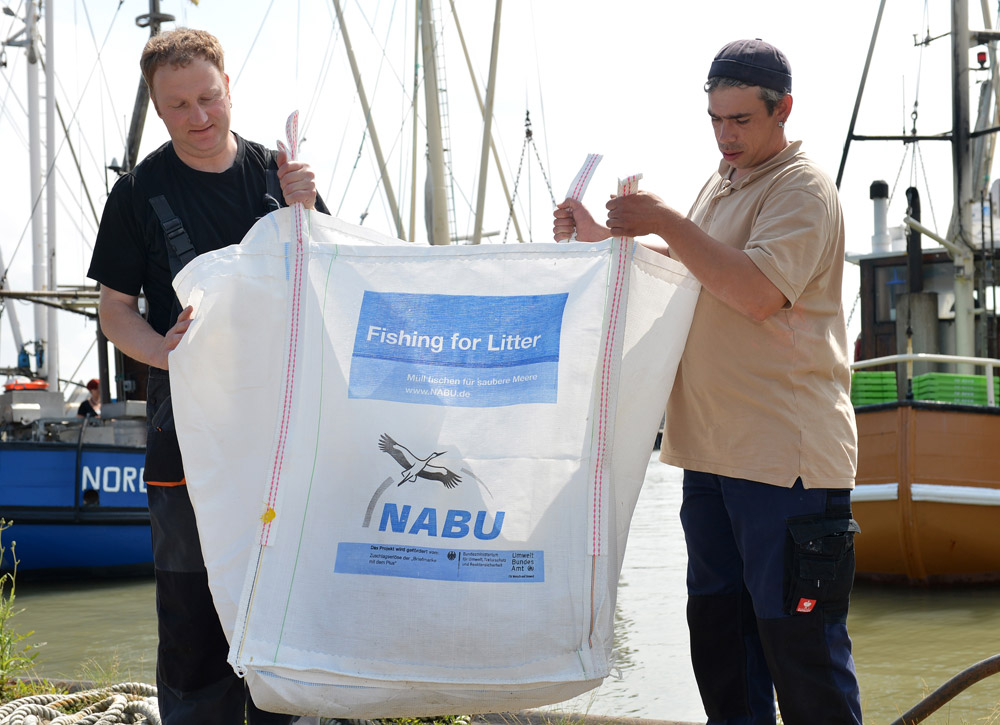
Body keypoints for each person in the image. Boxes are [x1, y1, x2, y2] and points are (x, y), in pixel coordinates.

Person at [554, 39, 862, 725]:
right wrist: (606, 238)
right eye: (716, 120)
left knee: (803, 655)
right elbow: (697, 267)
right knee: (723, 655)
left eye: (741, 121)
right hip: (709, 458)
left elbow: (754, 291)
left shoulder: (802, 187)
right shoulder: (724, 182)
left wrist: (663, 219)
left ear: (783, 110)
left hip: (789, 465)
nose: (726, 135)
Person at [87, 28, 329, 725]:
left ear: (229, 89)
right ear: (158, 110)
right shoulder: (137, 193)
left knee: (281, 594)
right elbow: (114, 313)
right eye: (179, 105)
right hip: (183, 432)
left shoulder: (279, 176)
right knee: (192, 609)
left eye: (208, 98)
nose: (198, 117)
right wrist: (169, 351)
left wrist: (306, 212)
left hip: (281, 431)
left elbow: (331, 287)